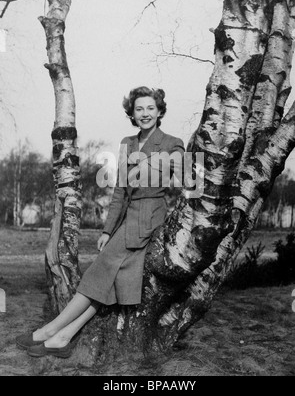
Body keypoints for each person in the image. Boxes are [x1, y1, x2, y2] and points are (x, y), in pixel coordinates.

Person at [16, 86, 185, 358]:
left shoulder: (171, 143)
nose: (145, 114)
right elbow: (119, 191)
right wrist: (107, 230)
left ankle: (50, 331)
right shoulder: (127, 143)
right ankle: (64, 336)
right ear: (131, 113)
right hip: (126, 222)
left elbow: (187, 180)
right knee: (109, 280)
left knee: (98, 272)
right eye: (139, 109)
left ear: (160, 111)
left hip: (150, 219)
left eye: (150, 108)